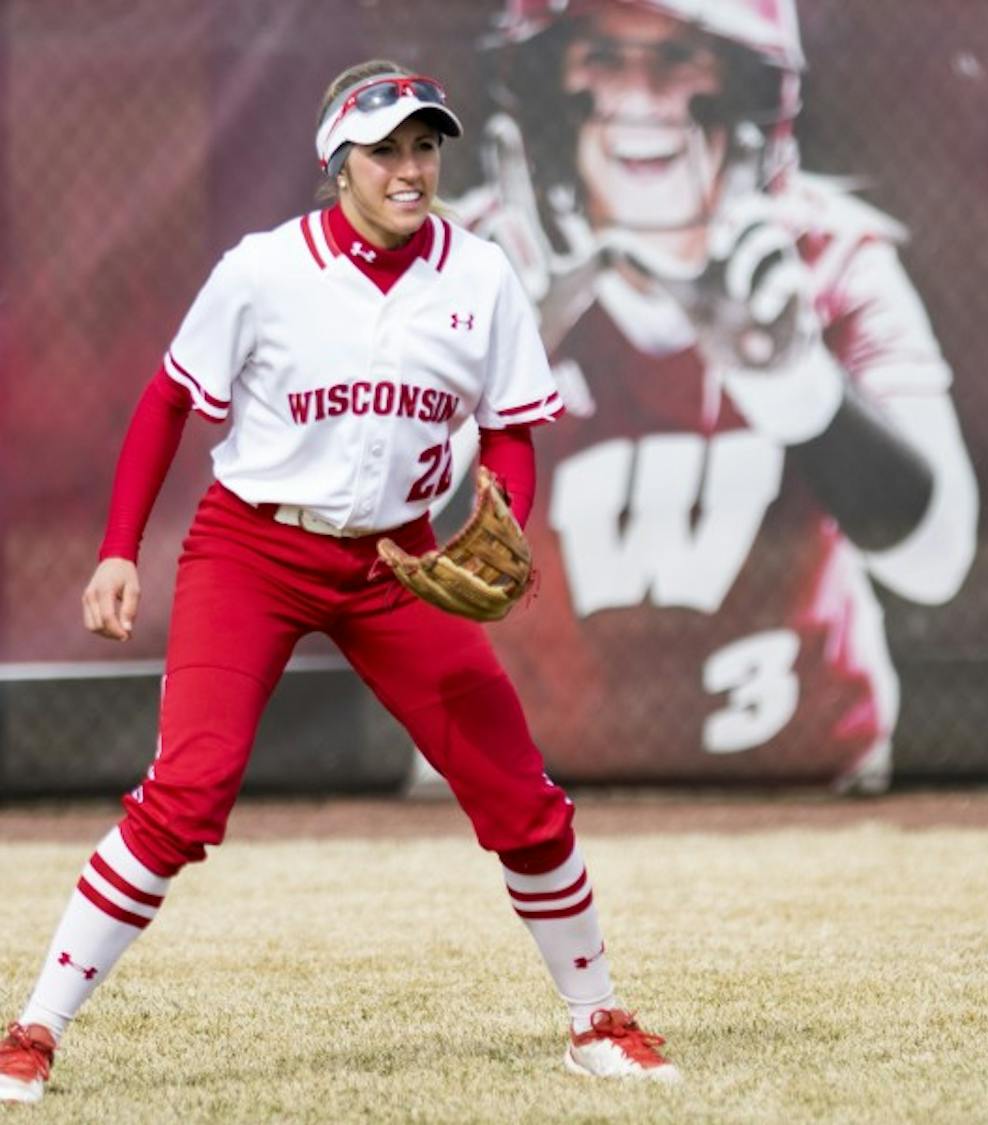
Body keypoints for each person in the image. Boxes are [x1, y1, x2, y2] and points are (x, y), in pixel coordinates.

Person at [0, 60, 679, 1106]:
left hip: (399, 561)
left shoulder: (480, 276)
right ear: (337, 163)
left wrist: (501, 518)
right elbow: (168, 400)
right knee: (186, 795)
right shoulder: (265, 271)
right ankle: (32, 1032)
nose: (409, 169)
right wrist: (119, 547)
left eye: (425, 147)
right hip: (254, 549)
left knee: (523, 799)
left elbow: (510, 429)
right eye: (384, 150)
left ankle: (597, 1020)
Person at [442, 0, 980, 794]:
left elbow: (937, 559)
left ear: (746, 83)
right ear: (551, 80)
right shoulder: (468, 264)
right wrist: (483, 379)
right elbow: (355, 550)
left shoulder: (827, 257)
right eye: (603, 57)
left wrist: (793, 380)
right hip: (521, 791)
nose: (640, 97)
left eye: (680, 56)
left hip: (808, 783)